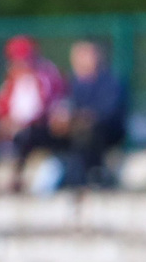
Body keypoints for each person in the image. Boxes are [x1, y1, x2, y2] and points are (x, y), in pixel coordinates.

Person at [0, 36, 65, 183]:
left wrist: (13, 123)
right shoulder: (12, 78)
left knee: (21, 134)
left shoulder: (45, 77)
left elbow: (40, 110)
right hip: (12, 126)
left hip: (37, 128)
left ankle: (17, 175)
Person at [54, 39, 128, 188]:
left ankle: (91, 175)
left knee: (86, 132)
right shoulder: (69, 83)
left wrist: (83, 117)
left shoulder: (110, 82)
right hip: (73, 130)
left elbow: (108, 112)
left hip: (105, 131)